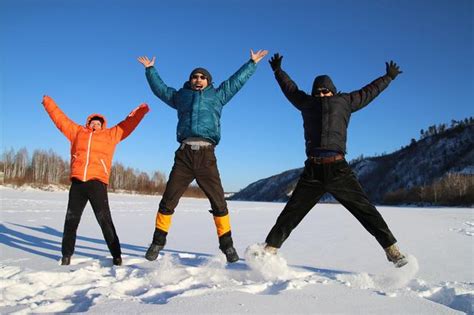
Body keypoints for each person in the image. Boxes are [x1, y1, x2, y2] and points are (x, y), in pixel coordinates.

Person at [263, 54, 408, 268]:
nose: (322, 94)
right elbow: (290, 89)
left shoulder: (346, 101)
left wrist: (388, 77)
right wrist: (278, 71)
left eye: (325, 90)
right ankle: (269, 250)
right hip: (313, 170)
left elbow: (369, 92)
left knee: (365, 210)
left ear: (333, 90)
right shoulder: (306, 103)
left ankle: (392, 250)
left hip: (338, 169)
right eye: (318, 91)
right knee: (292, 212)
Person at [138, 49, 268, 263]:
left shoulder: (217, 96)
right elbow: (160, 90)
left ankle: (227, 247)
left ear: (208, 81)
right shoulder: (181, 97)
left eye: (202, 77)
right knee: (168, 200)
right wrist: (150, 70)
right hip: (184, 156)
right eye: (195, 76)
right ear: (190, 80)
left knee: (219, 202)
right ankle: (157, 242)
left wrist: (251, 63)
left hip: (207, 156)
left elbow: (236, 82)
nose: (198, 79)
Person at [42, 95, 149, 266]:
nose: (96, 125)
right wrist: (48, 103)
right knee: (71, 220)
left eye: (99, 123)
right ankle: (66, 256)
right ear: (88, 123)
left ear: (103, 125)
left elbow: (127, 125)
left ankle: (116, 255)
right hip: (78, 183)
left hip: (97, 183)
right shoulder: (77, 132)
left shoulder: (110, 135)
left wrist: (140, 112)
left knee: (104, 220)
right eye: (93, 122)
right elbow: (60, 119)